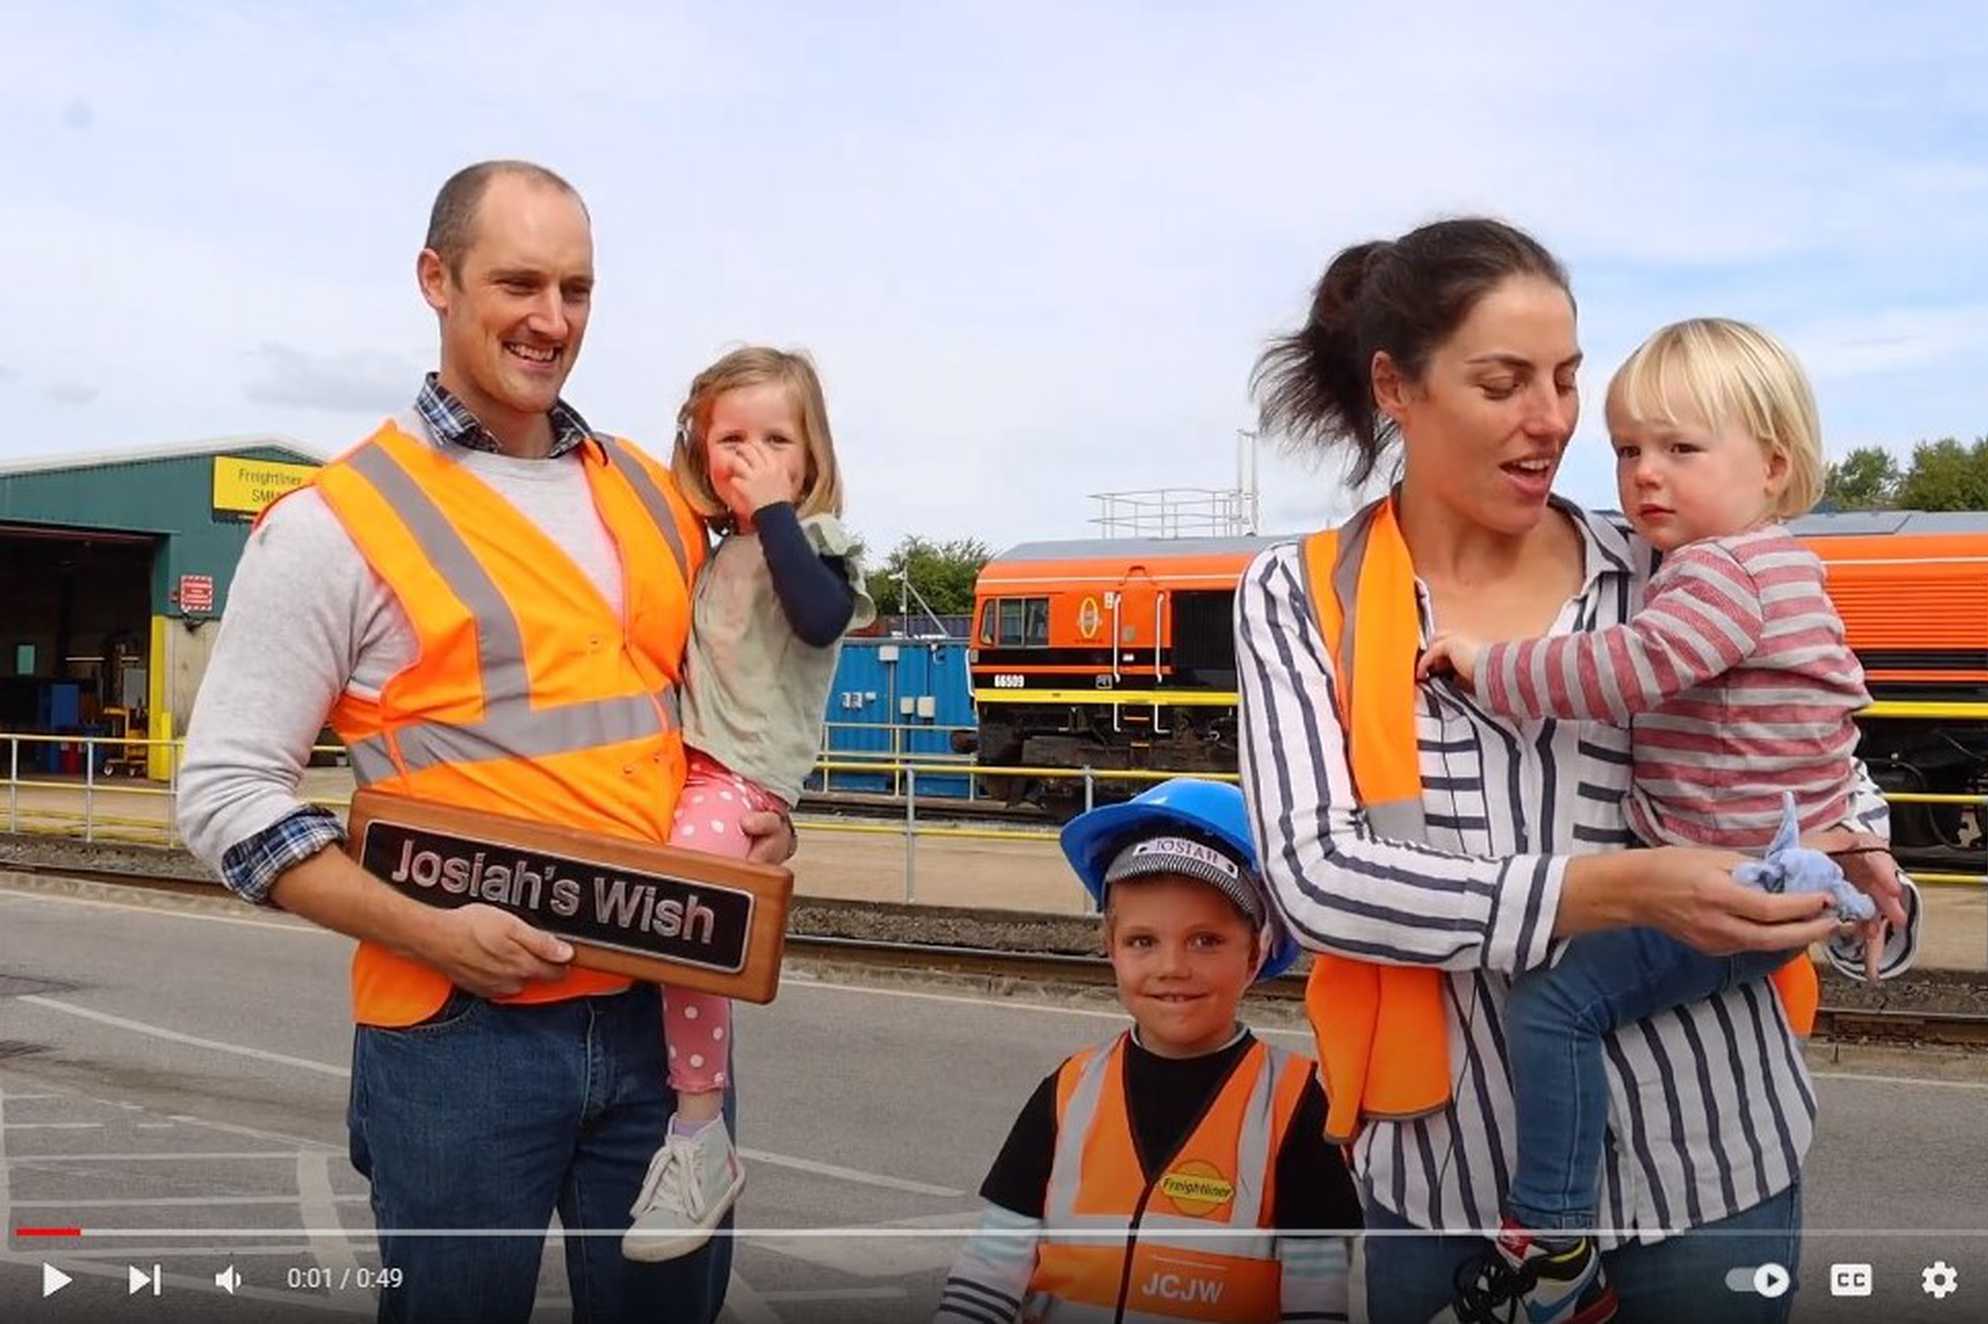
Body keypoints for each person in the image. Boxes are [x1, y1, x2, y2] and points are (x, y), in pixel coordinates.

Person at [1235, 217, 1921, 1324]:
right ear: (1395, 388)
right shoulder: (1298, 596)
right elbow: (1316, 876)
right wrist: (1607, 892)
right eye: (1503, 382)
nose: (1550, 419)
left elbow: (1808, 751)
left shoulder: (1671, 562)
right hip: (1448, 1182)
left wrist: (1860, 874)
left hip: (1713, 1163)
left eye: (1563, 378)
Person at [176, 160, 790, 1324]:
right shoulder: (334, 524)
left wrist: (760, 815)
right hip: (457, 1034)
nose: (551, 320)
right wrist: (427, 930)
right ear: (435, 279)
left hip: (666, 1014)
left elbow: (708, 725)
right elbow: (224, 796)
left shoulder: (656, 497)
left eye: (576, 288)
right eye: (518, 282)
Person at [1413, 317, 1887, 1321]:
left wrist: (1484, 663)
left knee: (1553, 1006)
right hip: (1786, 875)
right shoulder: (1793, 567)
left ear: (1770, 463)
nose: (1643, 476)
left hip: (1730, 889)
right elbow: (1825, 737)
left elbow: (1621, 669)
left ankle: (1550, 1237)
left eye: (1679, 448)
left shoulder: (1714, 573)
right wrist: (1863, 848)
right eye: (1628, 449)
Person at [932, 779, 1362, 1324]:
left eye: (1205, 941)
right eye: (1142, 941)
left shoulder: (1295, 1107)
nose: (1171, 967)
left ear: (1257, 954)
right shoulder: (1068, 1092)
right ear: (1109, 949)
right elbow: (990, 1268)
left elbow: (1317, 1297)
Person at [621, 347, 875, 1261]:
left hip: (738, 778)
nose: (755, 455)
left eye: (778, 439)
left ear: (810, 459)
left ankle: (700, 1131)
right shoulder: (712, 550)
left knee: (689, 910)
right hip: (676, 765)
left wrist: (773, 509)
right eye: (733, 439)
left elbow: (818, 617)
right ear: (700, 450)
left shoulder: (815, 545)